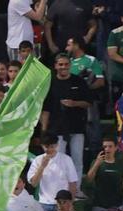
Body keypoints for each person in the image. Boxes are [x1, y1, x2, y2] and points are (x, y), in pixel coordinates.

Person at [41, 54, 91, 189]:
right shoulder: (50, 83)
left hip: (77, 126)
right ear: (56, 66)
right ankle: (59, 188)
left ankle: (77, 189)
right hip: (57, 128)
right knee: (58, 160)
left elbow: (88, 103)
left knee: (77, 160)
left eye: (66, 64)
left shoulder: (79, 82)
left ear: (70, 65)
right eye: (60, 64)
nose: (63, 67)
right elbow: (45, 109)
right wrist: (44, 130)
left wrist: (74, 103)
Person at [28, 134, 79, 211]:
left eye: (52, 146)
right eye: (46, 147)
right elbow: (34, 183)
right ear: (42, 146)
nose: (49, 149)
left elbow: (72, 183)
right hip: (44, 203)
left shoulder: (66, 159)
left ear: (57, 145)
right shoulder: (37, 160)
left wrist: (70, 203)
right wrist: (42, 166)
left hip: (63, 202)